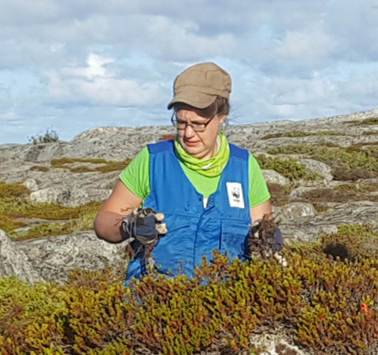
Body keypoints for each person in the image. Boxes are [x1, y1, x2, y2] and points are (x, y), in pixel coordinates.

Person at [94, 61, 273, 280]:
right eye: (180, 123)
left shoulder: (244, 166)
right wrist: (129, 227)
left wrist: (269, 238)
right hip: (151, 301)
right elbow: (104, 222)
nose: (188, 133)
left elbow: (263, 231)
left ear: (221, 117)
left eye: (198, 124)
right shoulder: (153, 160)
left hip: (227, 306)